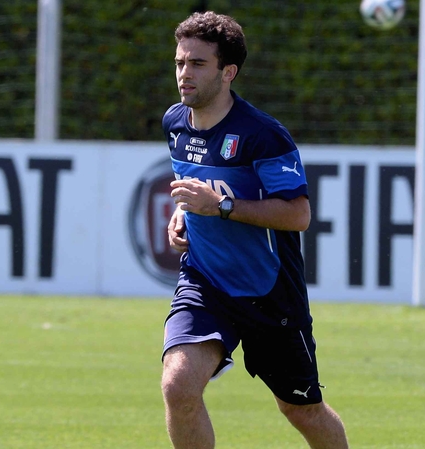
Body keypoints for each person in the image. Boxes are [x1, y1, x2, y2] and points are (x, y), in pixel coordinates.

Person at [159, 11, 348, 449]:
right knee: (178, 385)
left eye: (197, 64)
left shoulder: (263, 136)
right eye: (180, 62)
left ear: (228, 72)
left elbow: (297, 214)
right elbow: (197, 194)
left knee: (301, 409)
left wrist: (220, 205)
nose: (184, 73)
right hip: (205, 282)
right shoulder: (175, 124)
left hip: (269, 292)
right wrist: (185, 215)